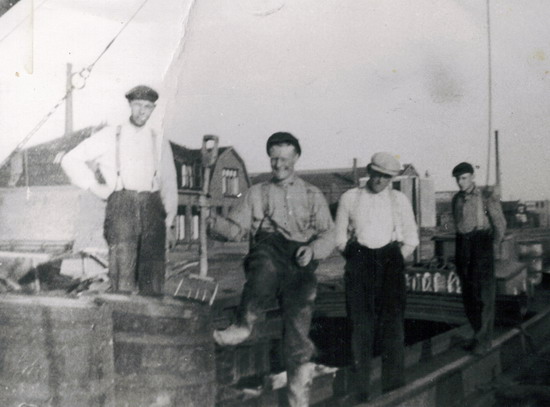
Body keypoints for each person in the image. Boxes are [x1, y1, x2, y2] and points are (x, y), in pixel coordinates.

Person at [208, 132, 335, 407]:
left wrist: (312, 250)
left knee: (298, 337)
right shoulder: (256, 193)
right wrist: (213, 223)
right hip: (268, 253)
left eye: (285, 159)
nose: (279, 165)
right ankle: (244, 324)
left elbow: (329, 235)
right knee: (262, 267)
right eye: (274, 158)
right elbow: (236, 229)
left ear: (296, 158)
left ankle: (297, 399)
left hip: (299, 263)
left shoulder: (312, 194)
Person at [61, 85, 178, 295]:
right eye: (138, 105)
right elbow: (70, 159)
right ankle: (122, 321)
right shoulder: (109, 135)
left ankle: (151, 322)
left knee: (152, 274)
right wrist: (95, 187)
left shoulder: (158, 140)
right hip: (121, 206)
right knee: (122, 270)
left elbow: (169, 183)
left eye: (148, 107)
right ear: (130, 106)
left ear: (153, 109)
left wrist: (168, 223)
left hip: (152, 206)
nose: (142, 111)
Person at [334, 152, 418, 403]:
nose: (380, 180)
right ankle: (360, 392)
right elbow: (339, 238)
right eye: (377, 174)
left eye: (386, 176)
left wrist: (394, 261)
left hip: (391, 263)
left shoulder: (399, 200)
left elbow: (412, 239)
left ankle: (393, 391)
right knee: (361, 330)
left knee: (392, 329)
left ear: (392, 178)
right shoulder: (350, 198)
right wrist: (357, 260)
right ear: (369, 171)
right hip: (360, 264)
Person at [451, 162, 506, 355]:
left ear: (472, 177)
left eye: (464, 178)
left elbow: (500, 224)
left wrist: (493, 246)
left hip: (481, 244)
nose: (460, 182)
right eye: (457, 178)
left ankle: (484, 342)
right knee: (469, 294)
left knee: (484, 295)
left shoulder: (486, 197)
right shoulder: (456, 199)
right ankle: (477, 335)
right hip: (463, 245)